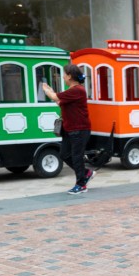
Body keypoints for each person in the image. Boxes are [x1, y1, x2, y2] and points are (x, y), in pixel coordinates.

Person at [42, 64, 93, 195]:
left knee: (77, 157)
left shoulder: (77, 90)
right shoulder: (71, 92)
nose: (63, 77)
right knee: (64, 154)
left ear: (70, 76)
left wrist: (47, 90)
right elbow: (59, 102)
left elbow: (55, 97)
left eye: (64, 74)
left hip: (79, 129)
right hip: (70, 129)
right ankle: (86, 173)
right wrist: (52, 92)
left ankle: (81, 185)